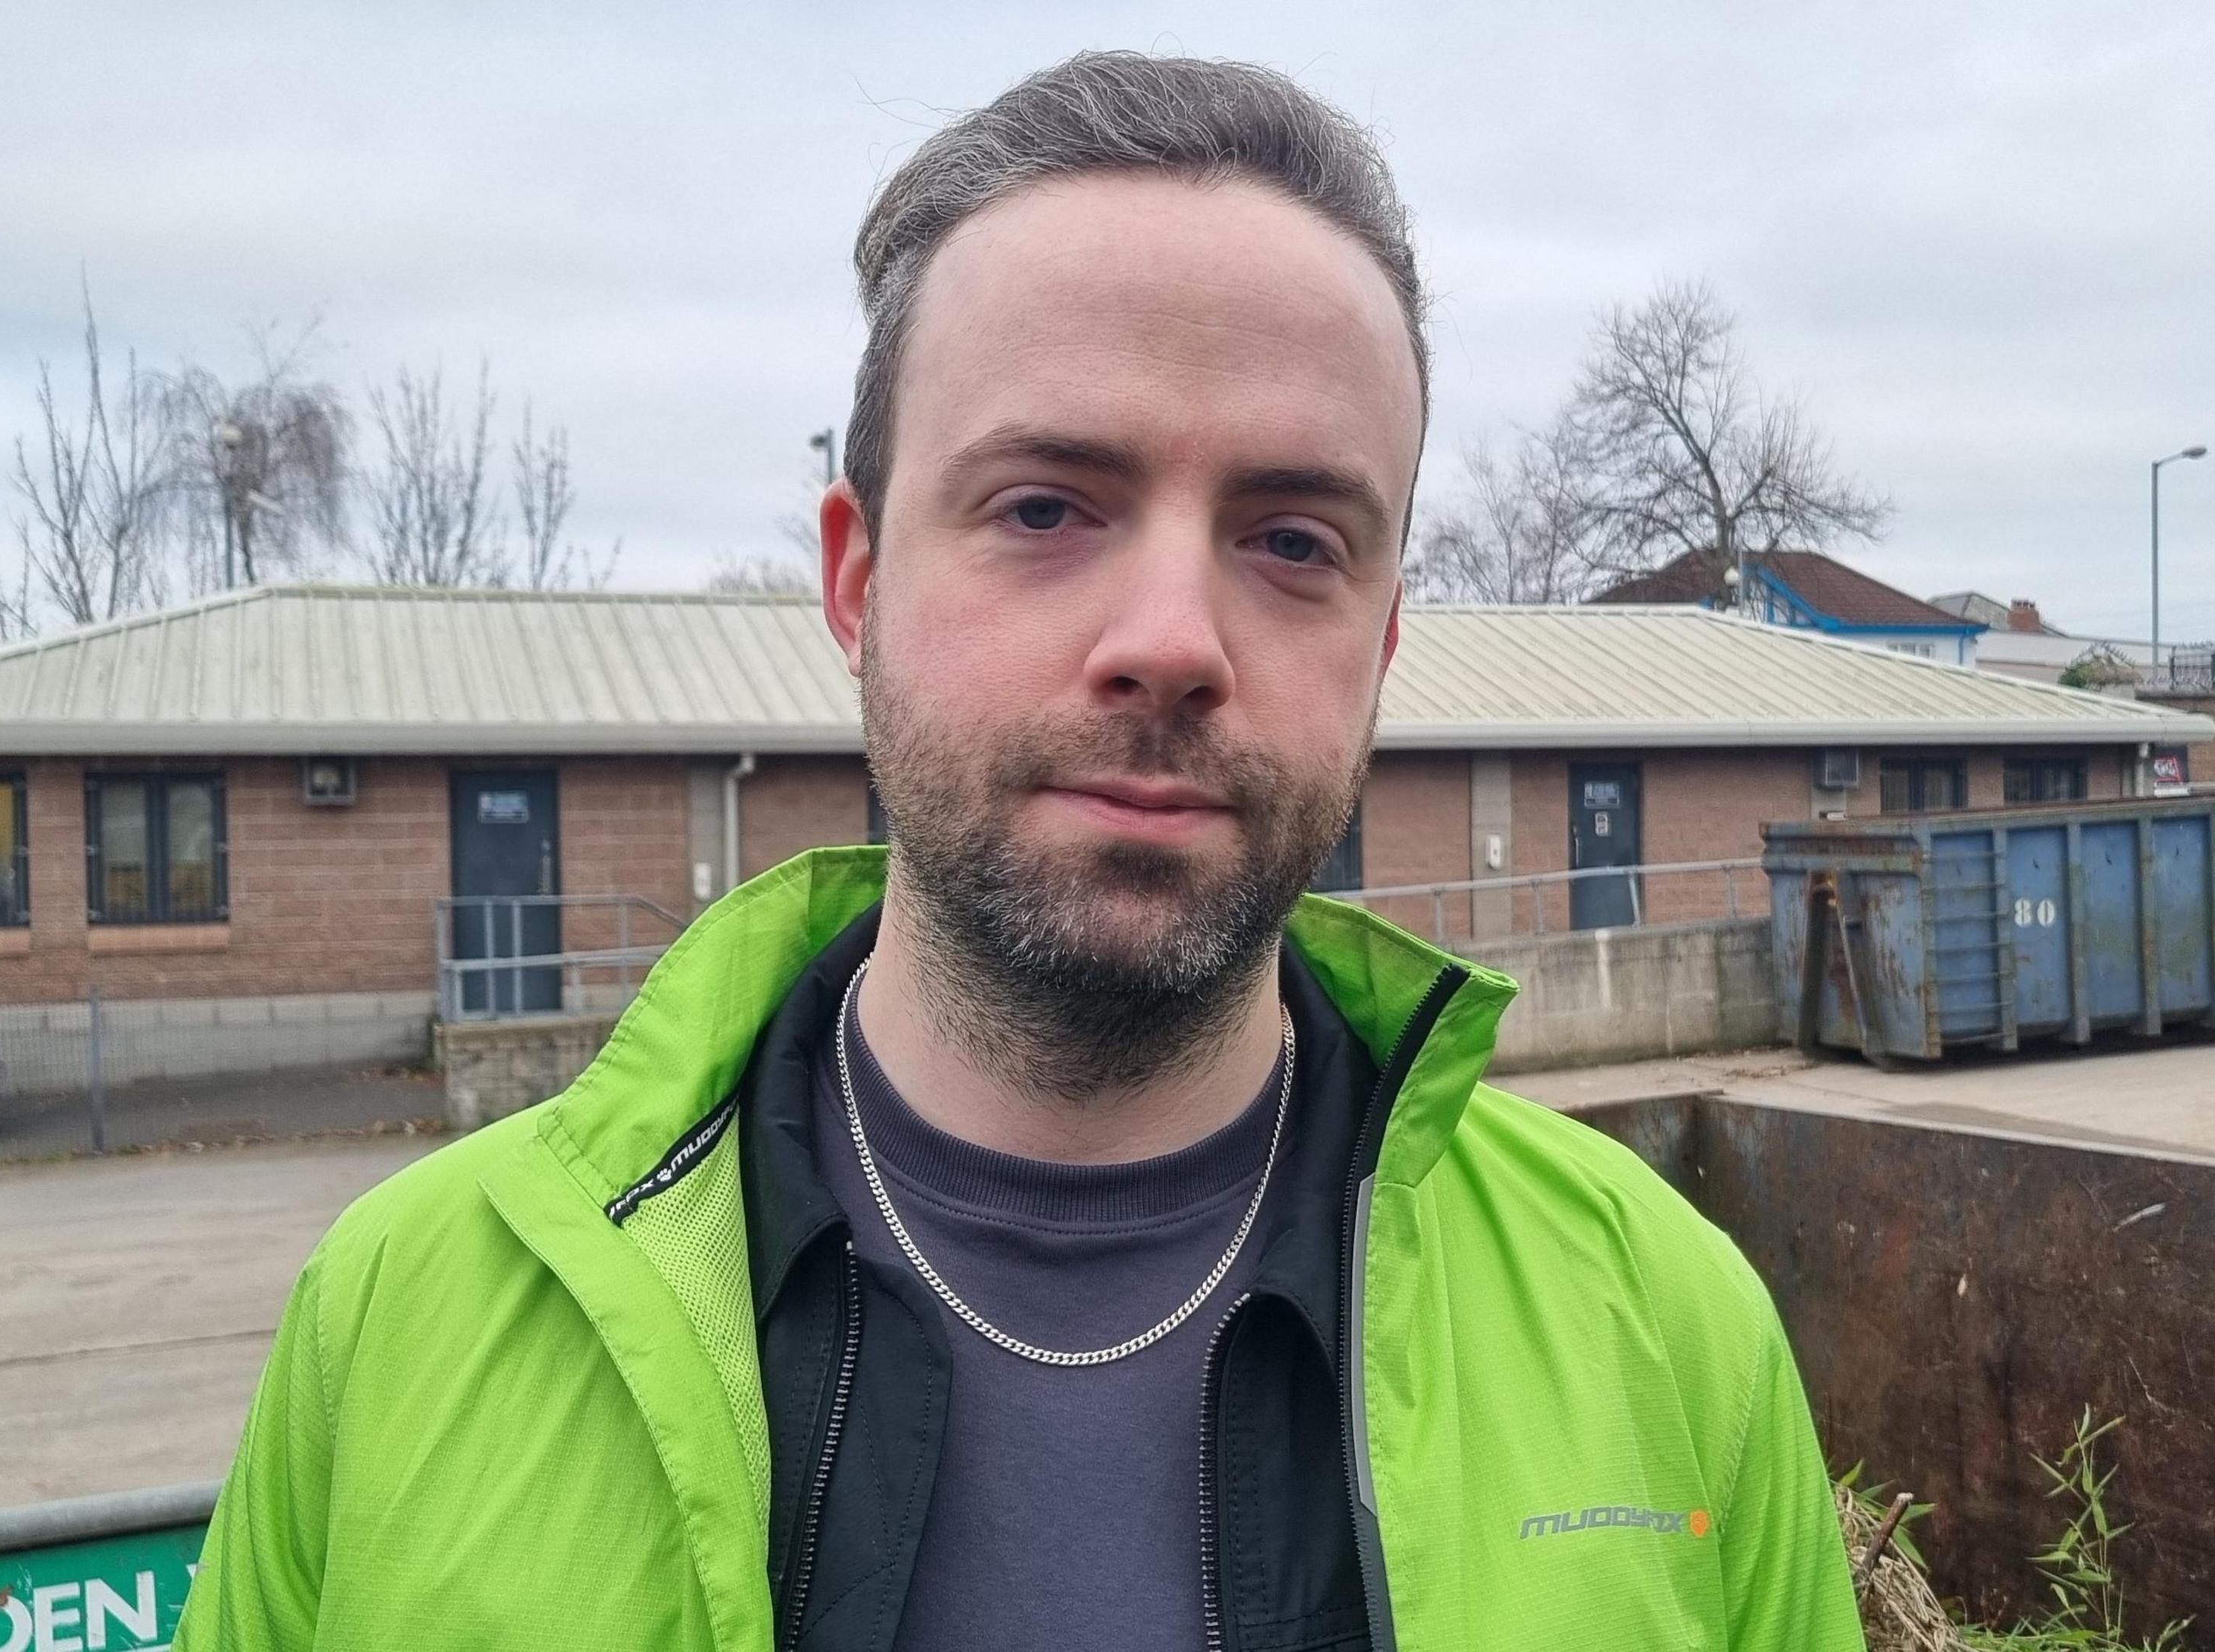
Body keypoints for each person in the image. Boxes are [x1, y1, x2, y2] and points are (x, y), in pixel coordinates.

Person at [181, 50, 1864, 1652]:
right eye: (1047, 507)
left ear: (1386, 635)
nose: (1170, 639)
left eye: (1293, 539)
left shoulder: (1669, 1332)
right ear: (856, 581)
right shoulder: (399, 1320)